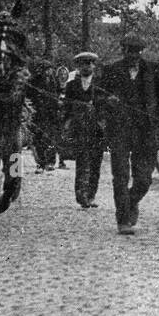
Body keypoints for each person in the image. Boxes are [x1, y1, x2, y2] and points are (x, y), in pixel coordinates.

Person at [97, 34, 159, 235]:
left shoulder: (152, 70)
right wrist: (107, 100)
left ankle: (131, 201)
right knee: (120, 175)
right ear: (123, 50)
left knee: (144, 179)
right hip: (119, 130)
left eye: (137, 51)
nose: (133, 55)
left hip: (146, 130)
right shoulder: (111, 70)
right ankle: (123, 219)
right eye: (129, 50)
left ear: (141, 52)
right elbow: (98, 95)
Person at [62, 52, 104, 209]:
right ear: (78, 67)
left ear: (93, 65)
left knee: (95, 162)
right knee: (82, 161)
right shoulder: (71, 85)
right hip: (80, 128)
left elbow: (106, 103)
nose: (86, 67)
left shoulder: (100, 83)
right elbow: (67, 106)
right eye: (83, 65)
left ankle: (91, 195)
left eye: (89, 64)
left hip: (97, 128)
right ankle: (81, 195)